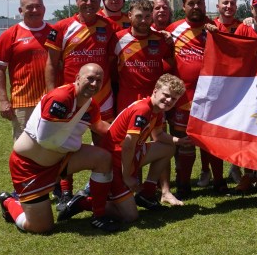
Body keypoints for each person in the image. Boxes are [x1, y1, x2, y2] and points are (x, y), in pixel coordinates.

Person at [0, 64, 115, 233]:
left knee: (103, 158)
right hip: (29, 167)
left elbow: (99, 126)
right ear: (77, 78)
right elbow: (46, 140)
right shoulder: (61, 97)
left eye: (99, 80)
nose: (94, 84)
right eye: (90, 79)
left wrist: (124, 129)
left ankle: (99, 215)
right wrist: (74, 145)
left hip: (60, 162)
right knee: (41, 227)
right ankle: (9, 201)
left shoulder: (90, 106)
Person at [60, 73, 190, 222]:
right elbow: (128, 145)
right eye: (166, 95)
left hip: (129, 154)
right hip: (114, 161)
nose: (168, 101)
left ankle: (146, 194)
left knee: (168, 148)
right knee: (130, 216)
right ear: (155, 91)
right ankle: (83, 202)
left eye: (173, 99)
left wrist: (179, 141)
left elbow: (159, 135)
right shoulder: (142, 110)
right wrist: (128, 176)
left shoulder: (157, 110)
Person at [44, 0, 118, 206]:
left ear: (99, 2)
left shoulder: (109, 26)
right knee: (65, 144)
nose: (89, 3)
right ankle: (65, 191)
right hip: (71, 98)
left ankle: (101, 187)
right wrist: (51, 94)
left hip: (102, 96)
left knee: (105, 141)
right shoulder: (61, 27)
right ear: (76, 1)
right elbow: (51, 63)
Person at [167, 0, 222, 197]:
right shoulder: (173, 29)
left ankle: (219, 182)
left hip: (211, 97)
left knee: (212, 142)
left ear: (205, 4)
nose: (196, 7)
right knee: (184, 143)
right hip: (183, 98)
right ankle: (183, 185)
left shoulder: (215, 28)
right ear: (183, 6)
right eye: (191, 3)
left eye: (199, 2)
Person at [0, 0, 53, 139]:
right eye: (29, 7)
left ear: (44, 9)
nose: (34, 10)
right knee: (24, 147)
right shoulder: (9, 35)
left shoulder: (55, 32)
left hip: (52, 100)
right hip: (23, 102)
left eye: (38, 6)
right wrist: (3, 101)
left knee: (53, 145)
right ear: (21, 11)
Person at [114, 0, 176, 112]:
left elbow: (170, 62)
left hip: (154, 96)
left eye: (147, 16)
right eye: (139, 16)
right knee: (128, 129)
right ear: (129, 15)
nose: (143, 21)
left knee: (155, 129)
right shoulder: (117, 38)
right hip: (127, 95)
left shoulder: (161, 39)